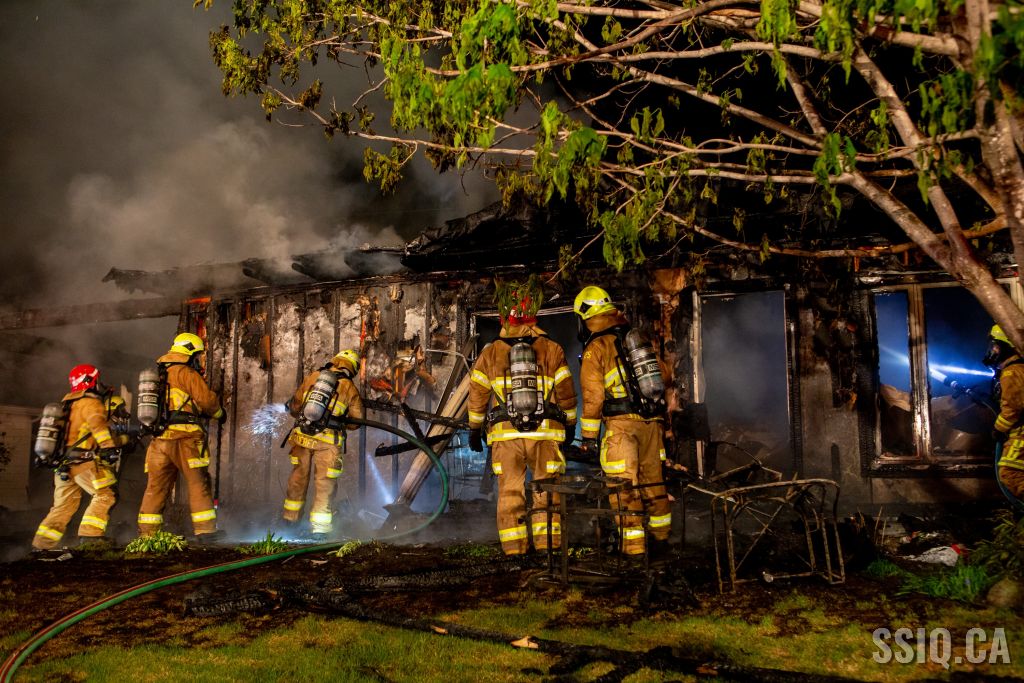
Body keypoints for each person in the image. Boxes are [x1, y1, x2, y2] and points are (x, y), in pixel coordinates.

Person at [467, 276, 578, 555]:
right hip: (546, 434)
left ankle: (515, 549)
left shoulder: (491, 353)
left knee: (509, 493)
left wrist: (474, 429)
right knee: (547, 490)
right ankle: (548, 548)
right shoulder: (552, 349)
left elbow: (477, 396)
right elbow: (566, 392)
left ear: (504, 316)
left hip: (506, 436)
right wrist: (571, 424)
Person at [574, 285, 672, 556]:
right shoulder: (636, 339)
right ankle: (662, 541)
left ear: (585, 317)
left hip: (621, 428)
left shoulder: (596, 348)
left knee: (624, 488)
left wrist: (589, 438)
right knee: (654, 483)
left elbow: (593, 397)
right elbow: (664, 375)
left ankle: (634, 550)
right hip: (652, 423)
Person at [137, 332, 225, 540]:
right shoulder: (186, 373)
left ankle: (147, 535)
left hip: (159, 440)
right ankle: (205, 531)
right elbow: (207, 401)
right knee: (197, 482)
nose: (199, 360)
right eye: (198, 355)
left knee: (156, 487)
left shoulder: (159, 374)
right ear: (190, 353)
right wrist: (220, 414)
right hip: (185, 438)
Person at [32, 364, 128, 551]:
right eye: (97, 380)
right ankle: (91, 537)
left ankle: (41, 545)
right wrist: (109, 447)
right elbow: (98, 427)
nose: (99, 384)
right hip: (84, 463)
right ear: (90, 381)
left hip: (63, 465)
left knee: (63, 506)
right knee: (106, 494)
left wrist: (121, 440)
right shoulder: (90, 403)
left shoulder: (66, 405)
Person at [282, 349, 364, 538]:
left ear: (335, 361)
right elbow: (356, 422)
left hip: (302, 438)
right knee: (325, 484)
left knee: (297, 479)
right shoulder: (349, 387)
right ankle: (319, 529)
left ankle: (290, 521)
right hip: (328, 443)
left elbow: (295, 407)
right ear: (352, 368)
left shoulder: (313, 377)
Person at [985, 324, 1024, 502]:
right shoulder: (1015, 370)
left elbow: (1013, 408)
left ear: (1006, 346)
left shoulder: (1012, 373)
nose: (992, 350)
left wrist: (998, 429)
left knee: (1010, 474)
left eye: (995, 345)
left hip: (1020, 433)